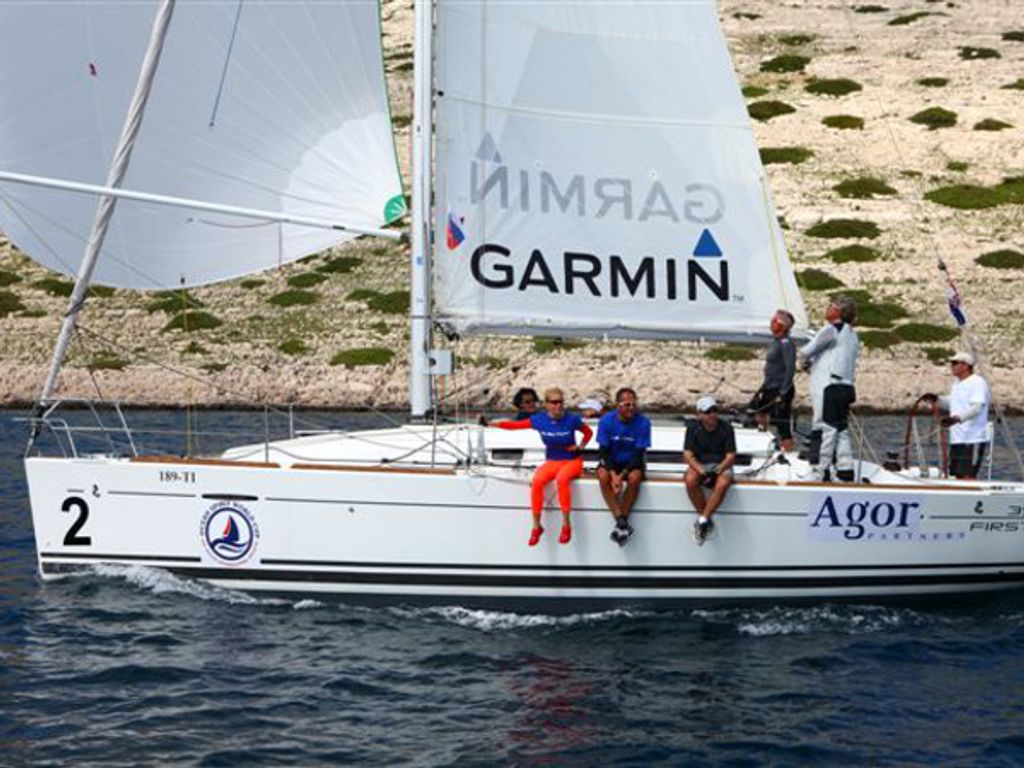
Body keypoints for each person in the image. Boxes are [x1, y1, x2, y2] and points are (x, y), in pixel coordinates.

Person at [487, 387, 593, 546]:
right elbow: (515, 425)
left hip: (572, 461)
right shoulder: (539, 420)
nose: (558, 405)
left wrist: (580, 447)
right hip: (553, 461)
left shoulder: (572, 419)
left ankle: (566, 524)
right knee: (537, 481)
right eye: (554, 402)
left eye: (560, 402)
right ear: (546, 404)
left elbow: (588, 432)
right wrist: (491, 424)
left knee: (562, 479)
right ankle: (536, 526)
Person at [799, 296, 859, 482]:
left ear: (838, 312)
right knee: (841, 429)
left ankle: (821, 470)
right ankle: (845, 470)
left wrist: (805, 361)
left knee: (826, 428)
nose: (827, 308)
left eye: (830, 306)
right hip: (847, 386)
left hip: (830, 386)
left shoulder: (831, 329)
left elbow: (807, 350)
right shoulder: (853, 334)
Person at [596, 387, 651, 546]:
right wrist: (614, 475)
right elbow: (603, 451)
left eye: (634, 404)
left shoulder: (643, 422)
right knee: (602, 475)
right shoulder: (606, 421)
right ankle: (620, 520)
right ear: (618, 405)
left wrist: (621, 476)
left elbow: (639, 453)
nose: (631, 408)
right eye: (627, 405)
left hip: (632, 462)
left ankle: (622, 520)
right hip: (611, 461)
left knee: (635, 478)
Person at [922, 351, 991, 479]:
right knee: (957, 475)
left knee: (968, 475)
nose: (951, 366)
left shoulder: (977, 382)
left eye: (954, 363)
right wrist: (936, 399)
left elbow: (977, 408)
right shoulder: (957, 384)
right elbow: (952, 404)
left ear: (965, 366)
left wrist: (957, 419)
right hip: (957, 438)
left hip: (972, 438)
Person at [683, 395, 736, 545]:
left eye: (714, 410)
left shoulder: (727, 428)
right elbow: (688, 455)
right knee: (690, 480)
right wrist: (700, 469)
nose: (712, 415)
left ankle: (703, 519)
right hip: (700, 464)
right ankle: (705, 519)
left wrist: (718, 470)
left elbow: (730, 456)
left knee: (723, 483)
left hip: (721, 464)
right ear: (699, 414)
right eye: (708, 412)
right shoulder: (693, 429)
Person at [749, 309, 797, 451]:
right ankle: (763, 443)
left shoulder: (786, 343)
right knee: (758, 412)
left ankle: (787, 449)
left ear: (783, 326)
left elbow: (790, 368)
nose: (772, 323)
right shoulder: (774, 341)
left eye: (775, 321)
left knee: (782, 423)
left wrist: (783, 391)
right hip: (769, 386)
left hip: (780, 388)